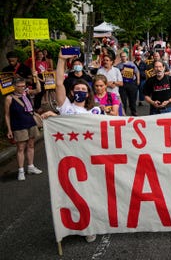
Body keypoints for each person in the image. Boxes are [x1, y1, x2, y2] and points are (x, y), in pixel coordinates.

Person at [41, 48, 101, 243]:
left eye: (84, 90)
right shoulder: (66, 107)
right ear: (72, 92)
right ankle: (72, 223)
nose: (80, 92)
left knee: (90, 192)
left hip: (89, 158)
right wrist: (60, 60)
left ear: (89, 93)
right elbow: (58, 82)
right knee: (70, 193)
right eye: (78, 90)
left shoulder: (95, 112)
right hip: (68, 159)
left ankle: (89, 226)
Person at [4, 74, 42, 181]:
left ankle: (30, 166)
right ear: (14, 86)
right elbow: (7, 115)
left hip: (30, 123)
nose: (22, 88)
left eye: (24, 85)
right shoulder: (9, 98)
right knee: (20, 148)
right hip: (18, 125)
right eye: (20, 86)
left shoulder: (27, 93)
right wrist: (9, 129)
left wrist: (36, 77)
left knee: (31, 145)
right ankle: (21, 170)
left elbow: (38, 90)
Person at [117, 52, 139, 116]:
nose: (123, 58)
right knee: (123, 99)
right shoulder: (118, 66)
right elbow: (117, 75)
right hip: (123, 84)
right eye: (122, 56)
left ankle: (133, 111)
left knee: (132, 98)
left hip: (132, 83)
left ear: (127, 57)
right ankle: (124, 113)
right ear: (120, 57)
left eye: (124, 56)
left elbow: (137, 72)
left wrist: (138, 80)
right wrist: (121, 72)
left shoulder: (131, 64)